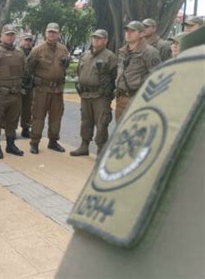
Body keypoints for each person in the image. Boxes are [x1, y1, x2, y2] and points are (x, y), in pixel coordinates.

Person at [55, 25, 205, 279]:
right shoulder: (185, 70)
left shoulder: (179, 68)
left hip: (138, 95)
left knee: (105, 131)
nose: (131, 33)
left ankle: (99, 149)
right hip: (127, 98)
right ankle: (88, 146)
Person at [70, 29, 117, 156]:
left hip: (100, 96)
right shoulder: (85, 55)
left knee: (102, 123)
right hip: (85, 94)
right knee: (85, 121)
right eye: (94, 37)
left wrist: (109, 92)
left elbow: (114, 76)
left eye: (99, 38)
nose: (96, 40)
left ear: (105, 41)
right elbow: (80, 72)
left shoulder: (110, 56)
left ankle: (101, 149)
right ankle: (84, 145)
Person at [26, 22, 70, 154]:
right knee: (38, 117)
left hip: (57, 90)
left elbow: (64, 66)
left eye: (54, 32)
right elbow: (29, 69)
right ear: (46, 33)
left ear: (58, 34)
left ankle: (53, 141)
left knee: (56, 117)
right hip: (41, 90)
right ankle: (34, 142)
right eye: (50, 32)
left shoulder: (63, 49)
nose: (52, 34)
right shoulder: (37, 50)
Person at [0, 24, 26, 159]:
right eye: (7, 34)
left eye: (12, 34)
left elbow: (24, 71)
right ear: (1, 36)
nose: (10, 37)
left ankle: (11, 145)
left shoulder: (20, 53)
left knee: (13, 121)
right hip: (0, 94)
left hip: (16, 94)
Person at [115, 21, 161, 121]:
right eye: (127, 30)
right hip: (121, 98)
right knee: (119, 131)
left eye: (132, 31)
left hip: (137, 99)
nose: (128, 33)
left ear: (141, 34)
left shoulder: (150, 52)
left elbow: (156, 76)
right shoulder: (123, 51)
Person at [19, 33, 34, 138]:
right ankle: (10, 129)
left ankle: (25, 128)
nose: (28, 42)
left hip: (29, 85)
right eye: (26, 40)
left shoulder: (34, 53)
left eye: (29, 40)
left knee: (28, 109)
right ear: (21, 40)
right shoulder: (16, 52)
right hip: (18, 84)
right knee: (14, 109)